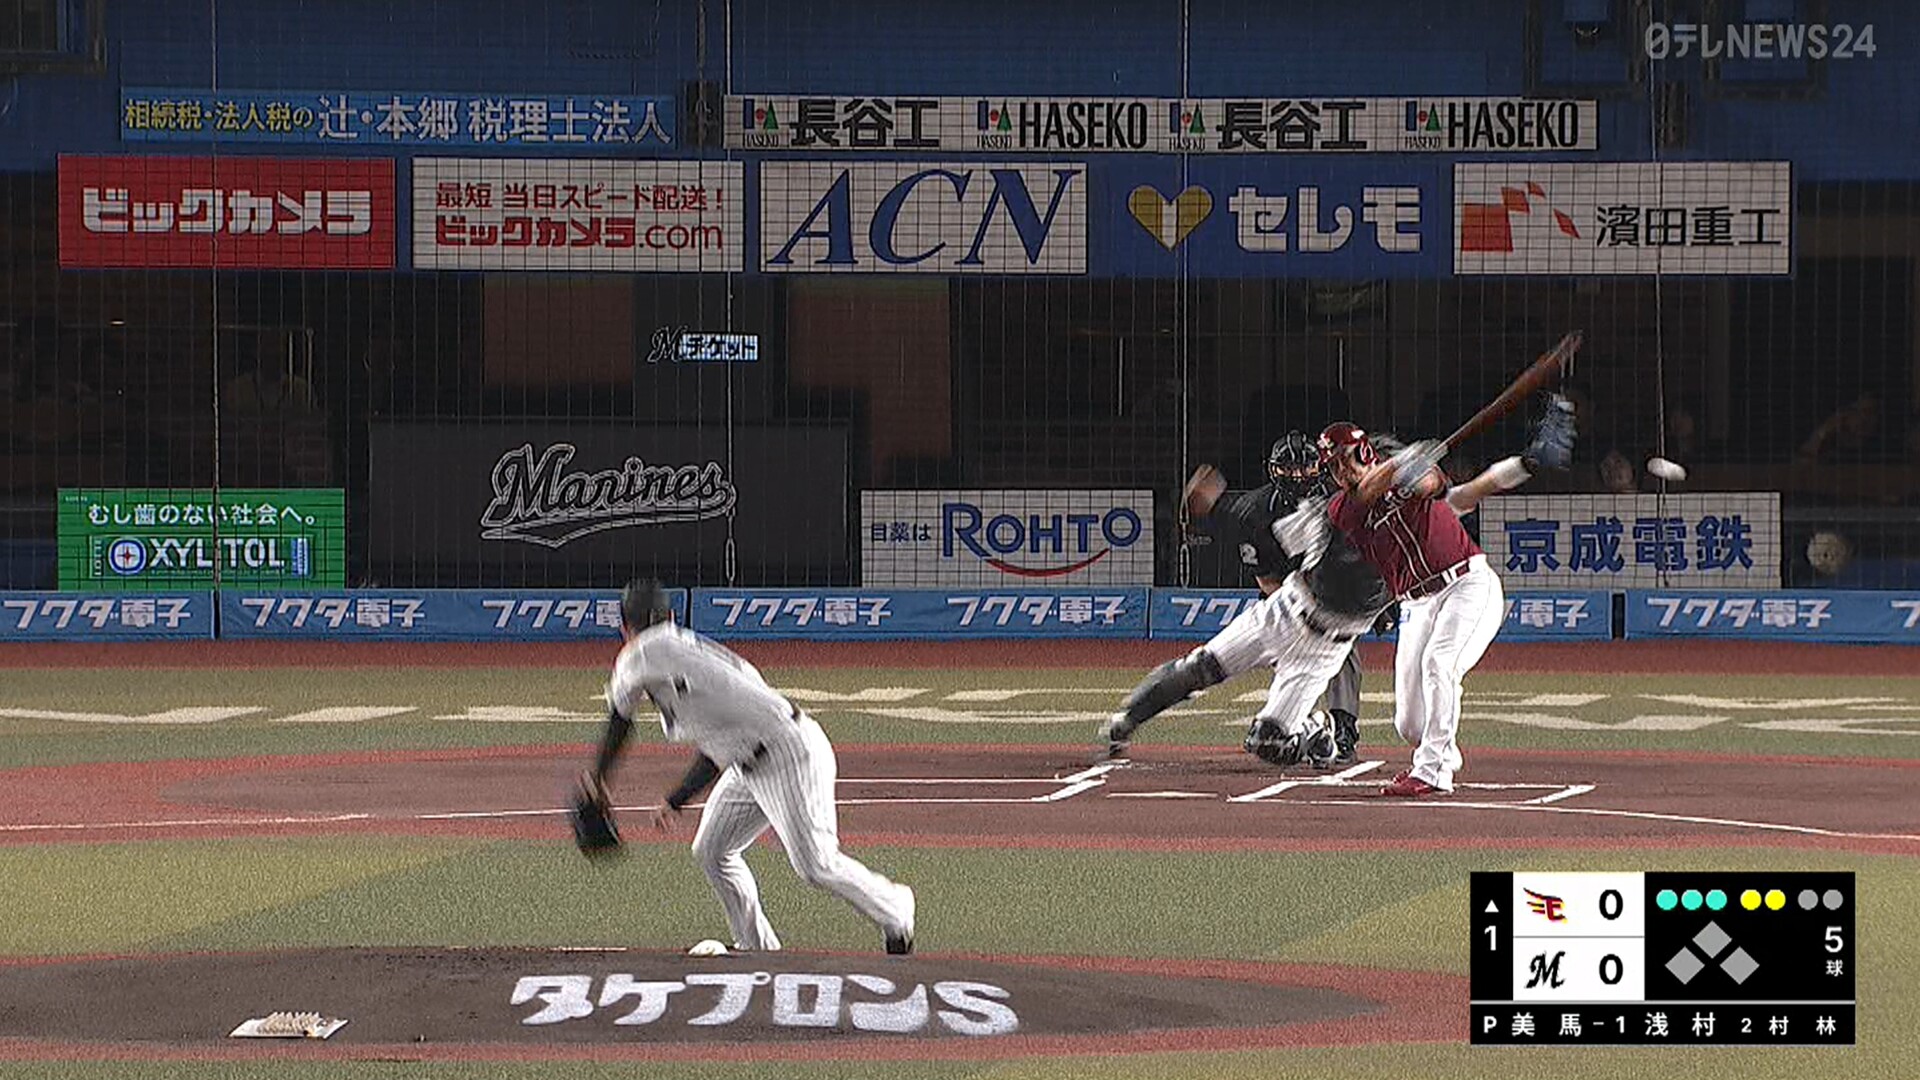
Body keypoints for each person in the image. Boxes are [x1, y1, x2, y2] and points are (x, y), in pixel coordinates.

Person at [582, 579, 917, 955]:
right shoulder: (689, 658)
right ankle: (758, 950)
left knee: (816, 864)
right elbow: (719, 746)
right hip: (750, 761)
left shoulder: (644, 650)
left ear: (624, 627)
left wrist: (599, 779)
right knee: (713, 850)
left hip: (789, 755)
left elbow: (620, 718)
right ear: (671, 615)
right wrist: (676, 799)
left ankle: (896, 910)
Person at [1321, 423, 1505, 798]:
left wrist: (1415, 471)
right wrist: (1397, 466)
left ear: (1365, 452)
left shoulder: (1404, 476)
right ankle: (1442, 751)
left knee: (1440, 663)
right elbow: (1367, 492)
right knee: (1409, 724)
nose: (1340, 470)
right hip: (1417, 603)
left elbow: (1432, 484)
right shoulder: (1342, 508)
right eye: (1333, 466)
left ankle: (1433, 769)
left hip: (1466, 584)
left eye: (1345, 459)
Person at [1175, 431, 1373, 767]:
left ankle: (1344, 730)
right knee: (1289, 656)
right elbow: (1266, 580)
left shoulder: (1338, 500)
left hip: (1336, 588)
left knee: (1342, 647)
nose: (1298, 475)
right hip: (1286, 592)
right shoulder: (1254, 510)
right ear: (1273, 469)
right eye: (1289, 468)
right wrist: (1298, 613)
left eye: (1306, 467)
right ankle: (1306, 726)